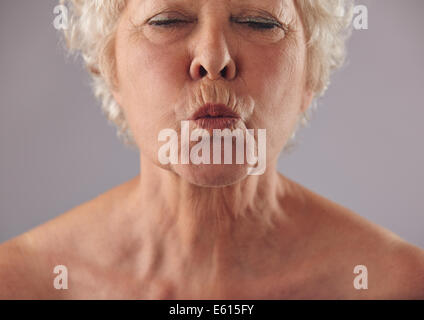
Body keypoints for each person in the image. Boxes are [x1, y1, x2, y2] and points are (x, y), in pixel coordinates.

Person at [1, 0, 423, 299]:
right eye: (167, 20)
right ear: (110, 66)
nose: (213, 57)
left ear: (310, 74)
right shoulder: (19, 284)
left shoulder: (400, 286)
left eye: (260, 22)